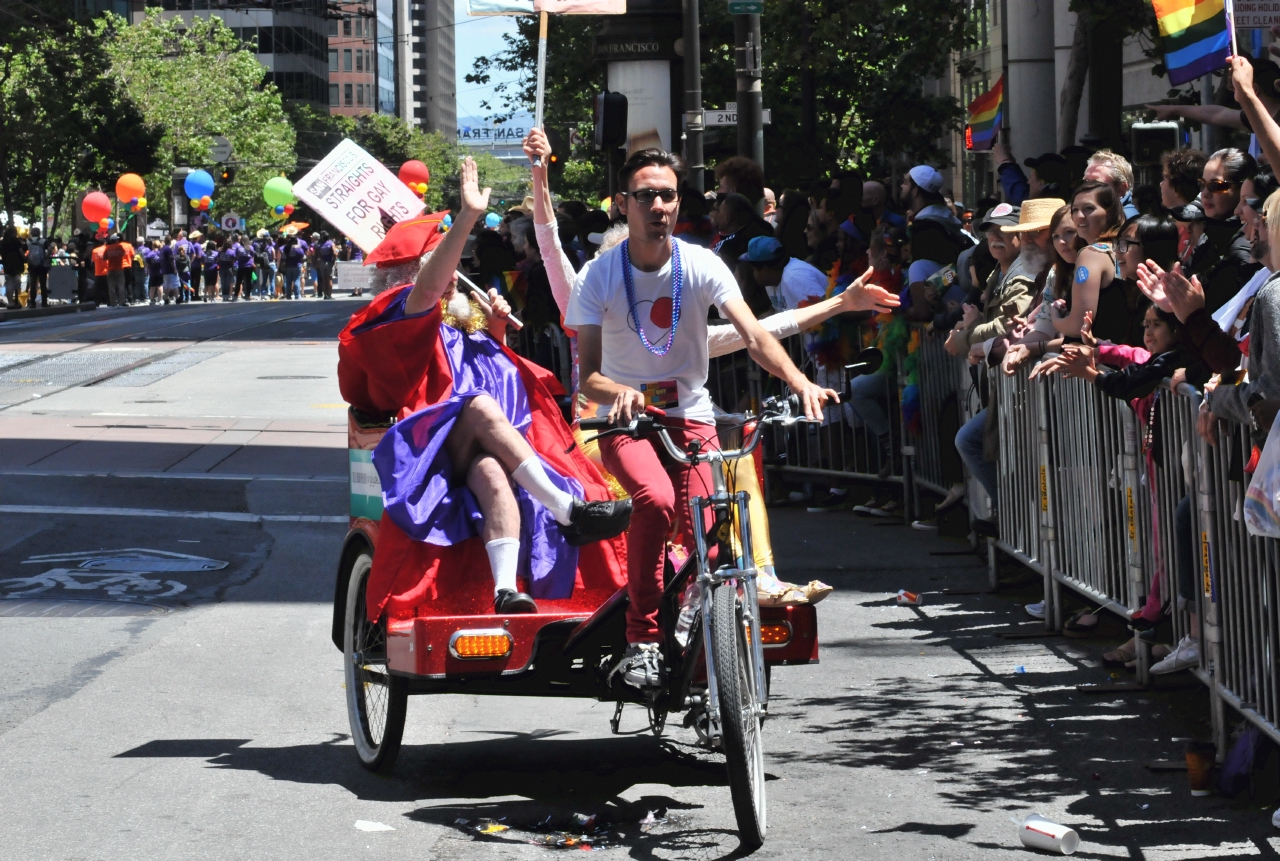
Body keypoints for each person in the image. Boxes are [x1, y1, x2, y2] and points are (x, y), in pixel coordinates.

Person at [565, 146, 838, 689]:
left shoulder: (701, 264)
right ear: (623, 205)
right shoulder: (597, 276)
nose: (658, 206)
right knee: (656, 501)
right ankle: (640, 639)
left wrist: (801, 381)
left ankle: (697, 617)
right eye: (645, 196)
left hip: (691, 416)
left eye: (668, 194)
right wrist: (622, 392)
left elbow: (756, 335)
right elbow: (589, 377)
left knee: (711, 528)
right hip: (626, 420)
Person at [338, 157, 631, 619]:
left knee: (494, 475)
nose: (455, 269)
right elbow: (430, 299)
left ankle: (503, 588)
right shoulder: (400, 312)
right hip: (425, 448)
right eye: (441, 260)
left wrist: (494, 333)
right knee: (475, 405)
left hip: (477, 444)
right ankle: (564, 509)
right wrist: (469, 216)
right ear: (415, 274)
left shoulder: (458, 320)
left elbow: (488, 373)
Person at [1187, 147, 1258, 314]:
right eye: (1202, 184)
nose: (1205, 194)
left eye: (1216, 186)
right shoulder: (1210, 233)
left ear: (1243, 189)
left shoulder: (1246, 245)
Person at [710, 192, 773, 314]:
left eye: (719, 212)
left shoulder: (734, 245)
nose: (716, 215)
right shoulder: (755, 232)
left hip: (737, 309)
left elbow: (744, 280)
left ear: (727, 217)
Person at [1085, 149, 1140, 219]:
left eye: (1097, 184)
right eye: (1086, 182)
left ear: (1121, 189)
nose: (1086, 188)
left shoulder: (1124, 221)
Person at [0, 226, 25, 308]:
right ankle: (16, 301)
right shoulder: (15, 240)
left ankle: (10, 302)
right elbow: (20, 251)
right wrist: (25, 258)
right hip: (16, 264)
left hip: (6, 263)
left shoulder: (2, 242)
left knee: (9, 283)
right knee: (17, 282)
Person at [102, 234, 128, 308]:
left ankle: (113, 302)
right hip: (119, 269)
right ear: (116, 240)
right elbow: (123, 254)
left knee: (111, 287)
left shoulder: (108, 248)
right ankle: (122, 302)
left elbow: (104, 258)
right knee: (121, 285)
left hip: (110, 269)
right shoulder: (119, 246)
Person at [26, 226, 48, 308]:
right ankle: (44, 302)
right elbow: (48, 250)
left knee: (33, 285)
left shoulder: (28, 241)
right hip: (42, 265)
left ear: (31, 233)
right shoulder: (43, 241)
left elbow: (24, 250)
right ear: (39, 233)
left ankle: (32, 303)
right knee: (43, 284)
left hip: (32, 266)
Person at [314, 231, 336, 300]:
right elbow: (335, 253)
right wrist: (334, 260)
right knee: (329, 279)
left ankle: (325, 295)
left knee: (324, 279)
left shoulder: (320, 245)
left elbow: (318, 255)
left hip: (322, 262)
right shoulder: (331, 243)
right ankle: (329, 295)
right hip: (329, 262)